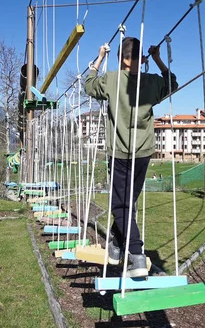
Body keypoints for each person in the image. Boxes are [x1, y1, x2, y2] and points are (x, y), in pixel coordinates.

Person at [84, 37, 178, 277]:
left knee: (120, 205)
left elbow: (89, 85)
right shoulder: (151, 82)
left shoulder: (111, 79)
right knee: (128, 205)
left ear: (121, 59)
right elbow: (172, 83)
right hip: (144, 152)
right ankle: (116, 246)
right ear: (139, 59)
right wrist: (157, 60)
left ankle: (136, 255)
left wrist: (99, 58)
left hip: (119, 153)